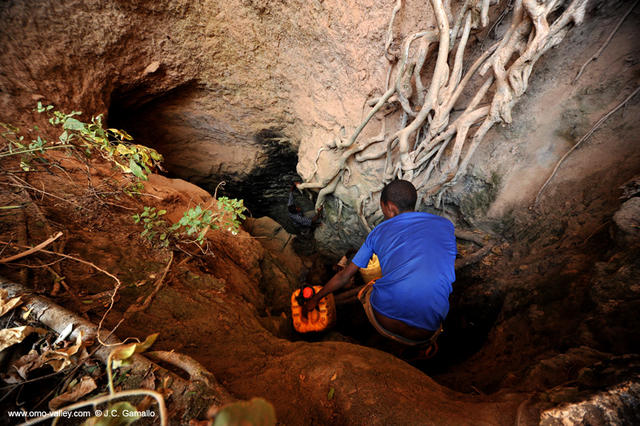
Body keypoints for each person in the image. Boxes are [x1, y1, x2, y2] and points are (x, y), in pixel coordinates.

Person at [304, 179, 456, 346]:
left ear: (390, 207)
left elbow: (344, 277)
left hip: (385, 322)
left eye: (382, 208)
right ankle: (418, 348)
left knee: (370, 286)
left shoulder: (378, 233)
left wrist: (316, 299)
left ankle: (381, 338)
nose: (383, 213)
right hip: (427, 332)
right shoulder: (446, 226)